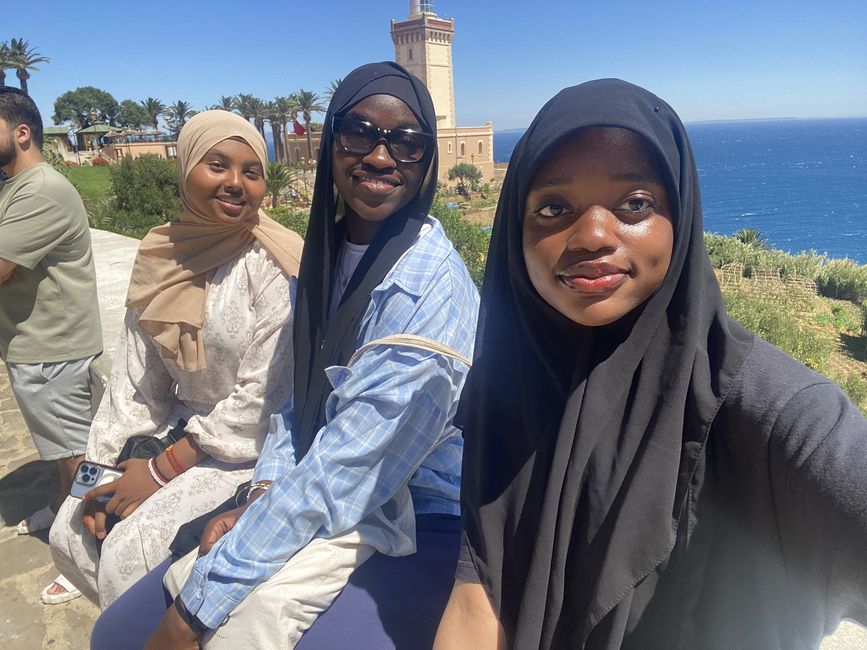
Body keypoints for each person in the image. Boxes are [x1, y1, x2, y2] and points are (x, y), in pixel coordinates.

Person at [434, 79, 867, 649]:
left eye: (634, 204)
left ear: (680, 217)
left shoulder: (774, 409)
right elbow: (477, 599)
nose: (592, 235)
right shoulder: (507, 390)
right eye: (553, 207)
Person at [90, 60, 479, 650]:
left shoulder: (429, 288)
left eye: (406, 142)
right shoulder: (321, 263)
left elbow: (352, 467)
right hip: (309, 493)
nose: (379, 156)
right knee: (116, 633)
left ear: (426, 160)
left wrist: (196, 610)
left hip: (417, 515)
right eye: (359, 133)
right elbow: (293, 406)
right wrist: (263, 492)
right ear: (330, 146)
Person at [49, 110, 303, 608]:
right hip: (180, 431)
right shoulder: (163, 256)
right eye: (218, 165)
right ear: (186, 169)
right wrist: (98, 477)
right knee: (71, 527)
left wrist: (160, 470)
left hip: (247, 450)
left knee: (131, 549)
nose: (235, 183)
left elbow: (262, 402)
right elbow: (133, 384)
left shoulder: (275, 265)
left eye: (251, 173)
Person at [0, 86, 104, 604]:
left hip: (53, 350)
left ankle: (82, 550)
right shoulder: (16, 187)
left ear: (21, 132)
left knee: (77, 455)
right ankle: (65, 511)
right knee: (62, 450)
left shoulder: (39, 190)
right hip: (35, 345)